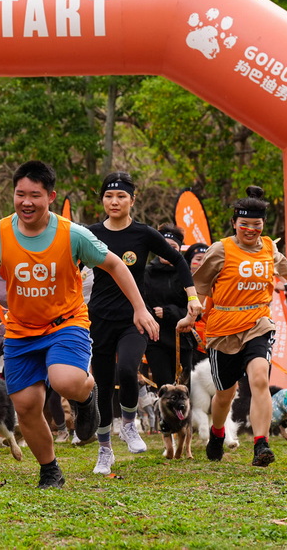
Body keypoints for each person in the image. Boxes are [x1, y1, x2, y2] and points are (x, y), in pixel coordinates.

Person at [0, 161, 159, 489]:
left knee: (65, 380)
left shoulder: (72, 234)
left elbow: (116, 265)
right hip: (20, 329)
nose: (26, 202)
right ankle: (49, 469)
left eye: (35, 195)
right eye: (20, 194)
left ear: (51, 197)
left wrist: (140, 308)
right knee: (26, 405)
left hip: (66, 322)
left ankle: (87, 396)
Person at [192, 186, 287, 468]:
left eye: (256, 225)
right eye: (244, 224)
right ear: (235, 223)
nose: (250, 230)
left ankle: (261, 444)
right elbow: (199, 284)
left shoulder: (269, 246)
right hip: (223, 328)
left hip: (258, 324)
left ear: (263, 226)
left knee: (259, 378)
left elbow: (282, 264)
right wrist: (193, 310)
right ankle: (217, 433)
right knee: (225, 394)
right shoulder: (221, 249)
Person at [86, 172, 201, 475]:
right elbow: (69, 264)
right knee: (102, 383)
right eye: (109, 196)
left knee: (127, 369)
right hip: (98, 317)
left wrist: (192, 297)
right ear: (102, 200)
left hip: (135, 317)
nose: (114, 201)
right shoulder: (90, 232)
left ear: (132, 200)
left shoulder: (144, 234)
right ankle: (104, 451)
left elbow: (178, 260)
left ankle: (128, 425)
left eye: (121, 196)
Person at [143, 225, 191, 387]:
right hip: (155, 339)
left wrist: (169, 312)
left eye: (173, 248)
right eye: (163, 246)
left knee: (184, 389)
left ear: (179, 249)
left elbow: (194, 309)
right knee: (165, 387)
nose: (167, 251)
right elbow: (140, 302)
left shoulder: (185, 273)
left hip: (182, 338)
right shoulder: (146, 272)